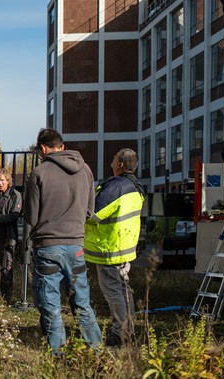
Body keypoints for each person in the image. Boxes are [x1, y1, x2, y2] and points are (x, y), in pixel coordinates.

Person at [24, 128, 102, 352]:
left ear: (43, 149)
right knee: (82, 303)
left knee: (51, 305)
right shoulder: (85, 170)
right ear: (62, 146)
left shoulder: (39, 173)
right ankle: (96, 351)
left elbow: (31, 216)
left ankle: (58, 354)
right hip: (76, 246)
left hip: (48, 246)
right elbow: (90, 211)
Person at [84, 148, 145, 346]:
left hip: (109, 248)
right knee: (123, 288)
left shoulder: (116, 187)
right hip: (123, 246)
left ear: (120, 164)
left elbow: (93, 214)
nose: (111, 159)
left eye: (114, 157)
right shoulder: (134, 186)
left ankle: (120, 333)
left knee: (113, 291)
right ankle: (128, 330)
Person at [0, 167, 21, 303]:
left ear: (8, 181)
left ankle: (6, 299)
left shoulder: (15, 195)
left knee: (6, 270)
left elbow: (14, 216)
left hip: (7, 238)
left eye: (2, 180)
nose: (0, 183)